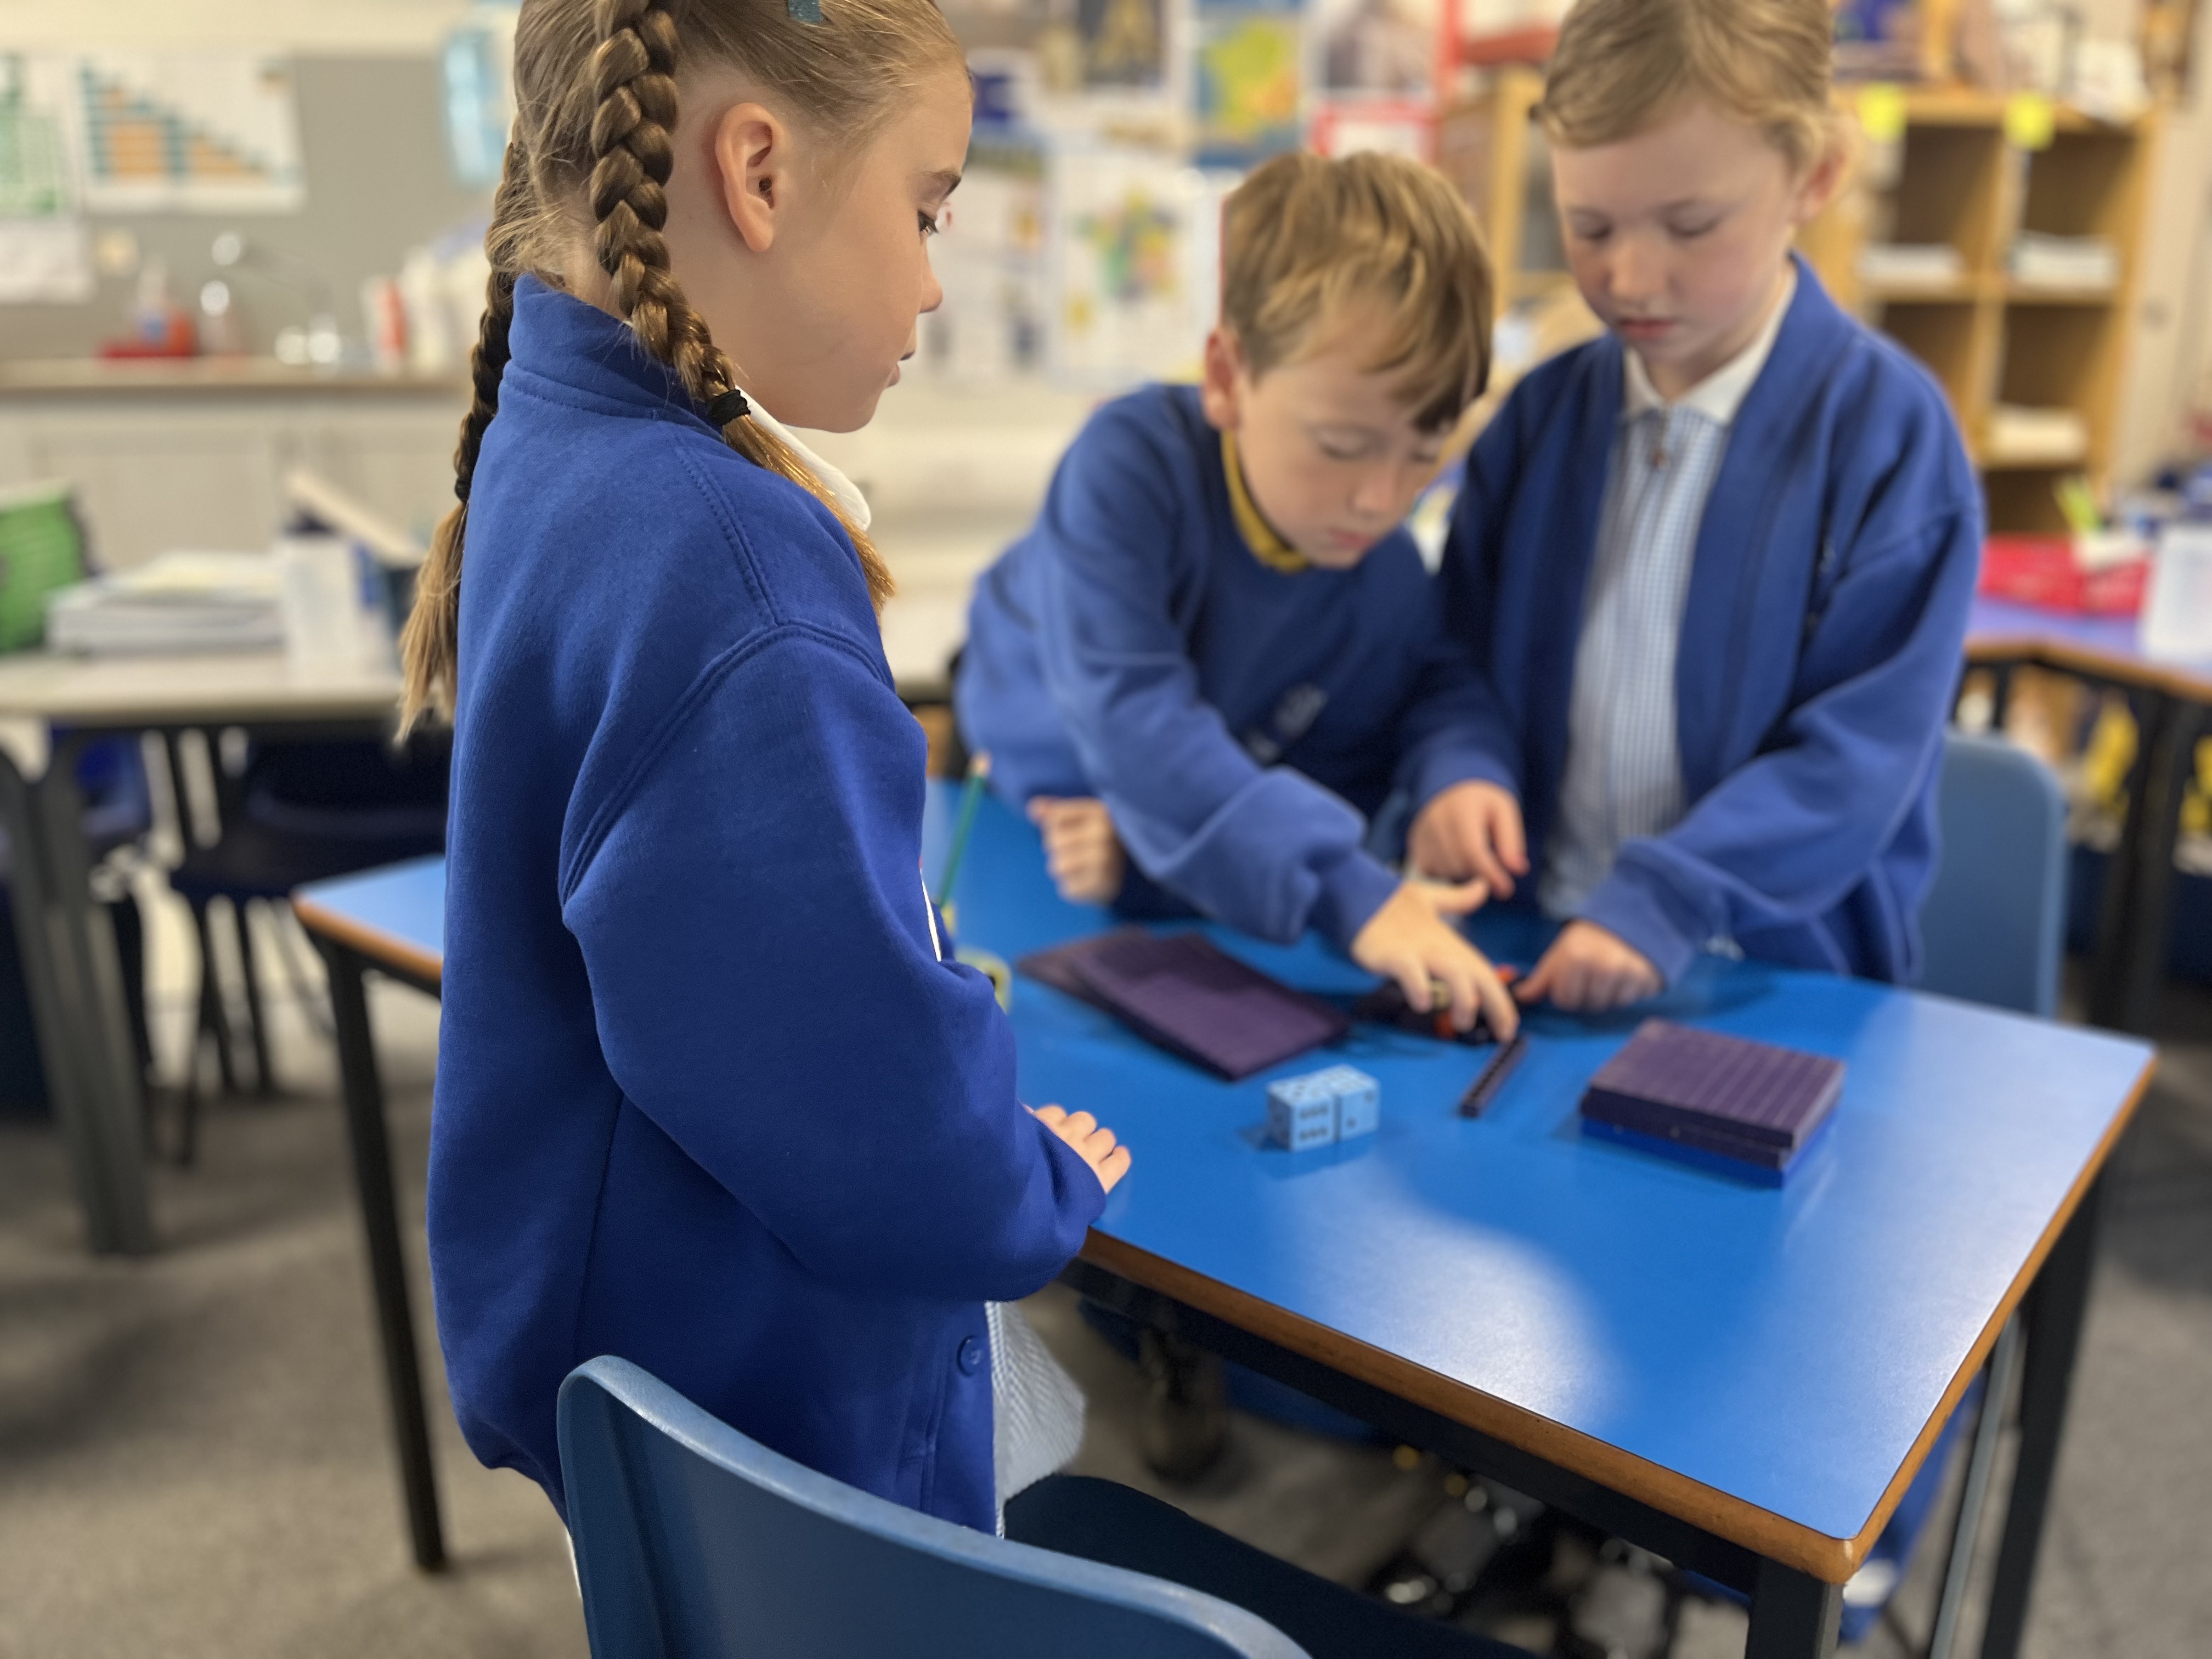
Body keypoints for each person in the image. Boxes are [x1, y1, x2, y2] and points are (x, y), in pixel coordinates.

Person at [404, 0, 1127, 1539]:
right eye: (926, 210)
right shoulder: (732, 565)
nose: (932, 280)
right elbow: (875, 1125)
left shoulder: (555, 429)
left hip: (636, 1384)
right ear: (760, 173)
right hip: (777, 1429)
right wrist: (1032, 1183)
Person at [1423, 0, 1981, 1011]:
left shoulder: (1889, 437)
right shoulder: (1539, 420)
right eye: (1590, 226)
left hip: (1769, 980)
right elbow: (1453, 655)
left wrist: (1665, 901)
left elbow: (1858, 756)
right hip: (1532, 950)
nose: (1631, 276)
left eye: (1691, 226)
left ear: (1814, 176)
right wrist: (1460, 765)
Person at [956, 150, 1521, 1042]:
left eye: (1425, 453)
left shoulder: (1383, 574)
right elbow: (1138, 723)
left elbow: (1415, 704)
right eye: (1341, 445)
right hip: (1010, 815)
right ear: (1227, 380)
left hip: (1141, 860)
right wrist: (1352, 895)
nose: (1381, 500)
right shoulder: (1129, 467)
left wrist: (1461, 771)